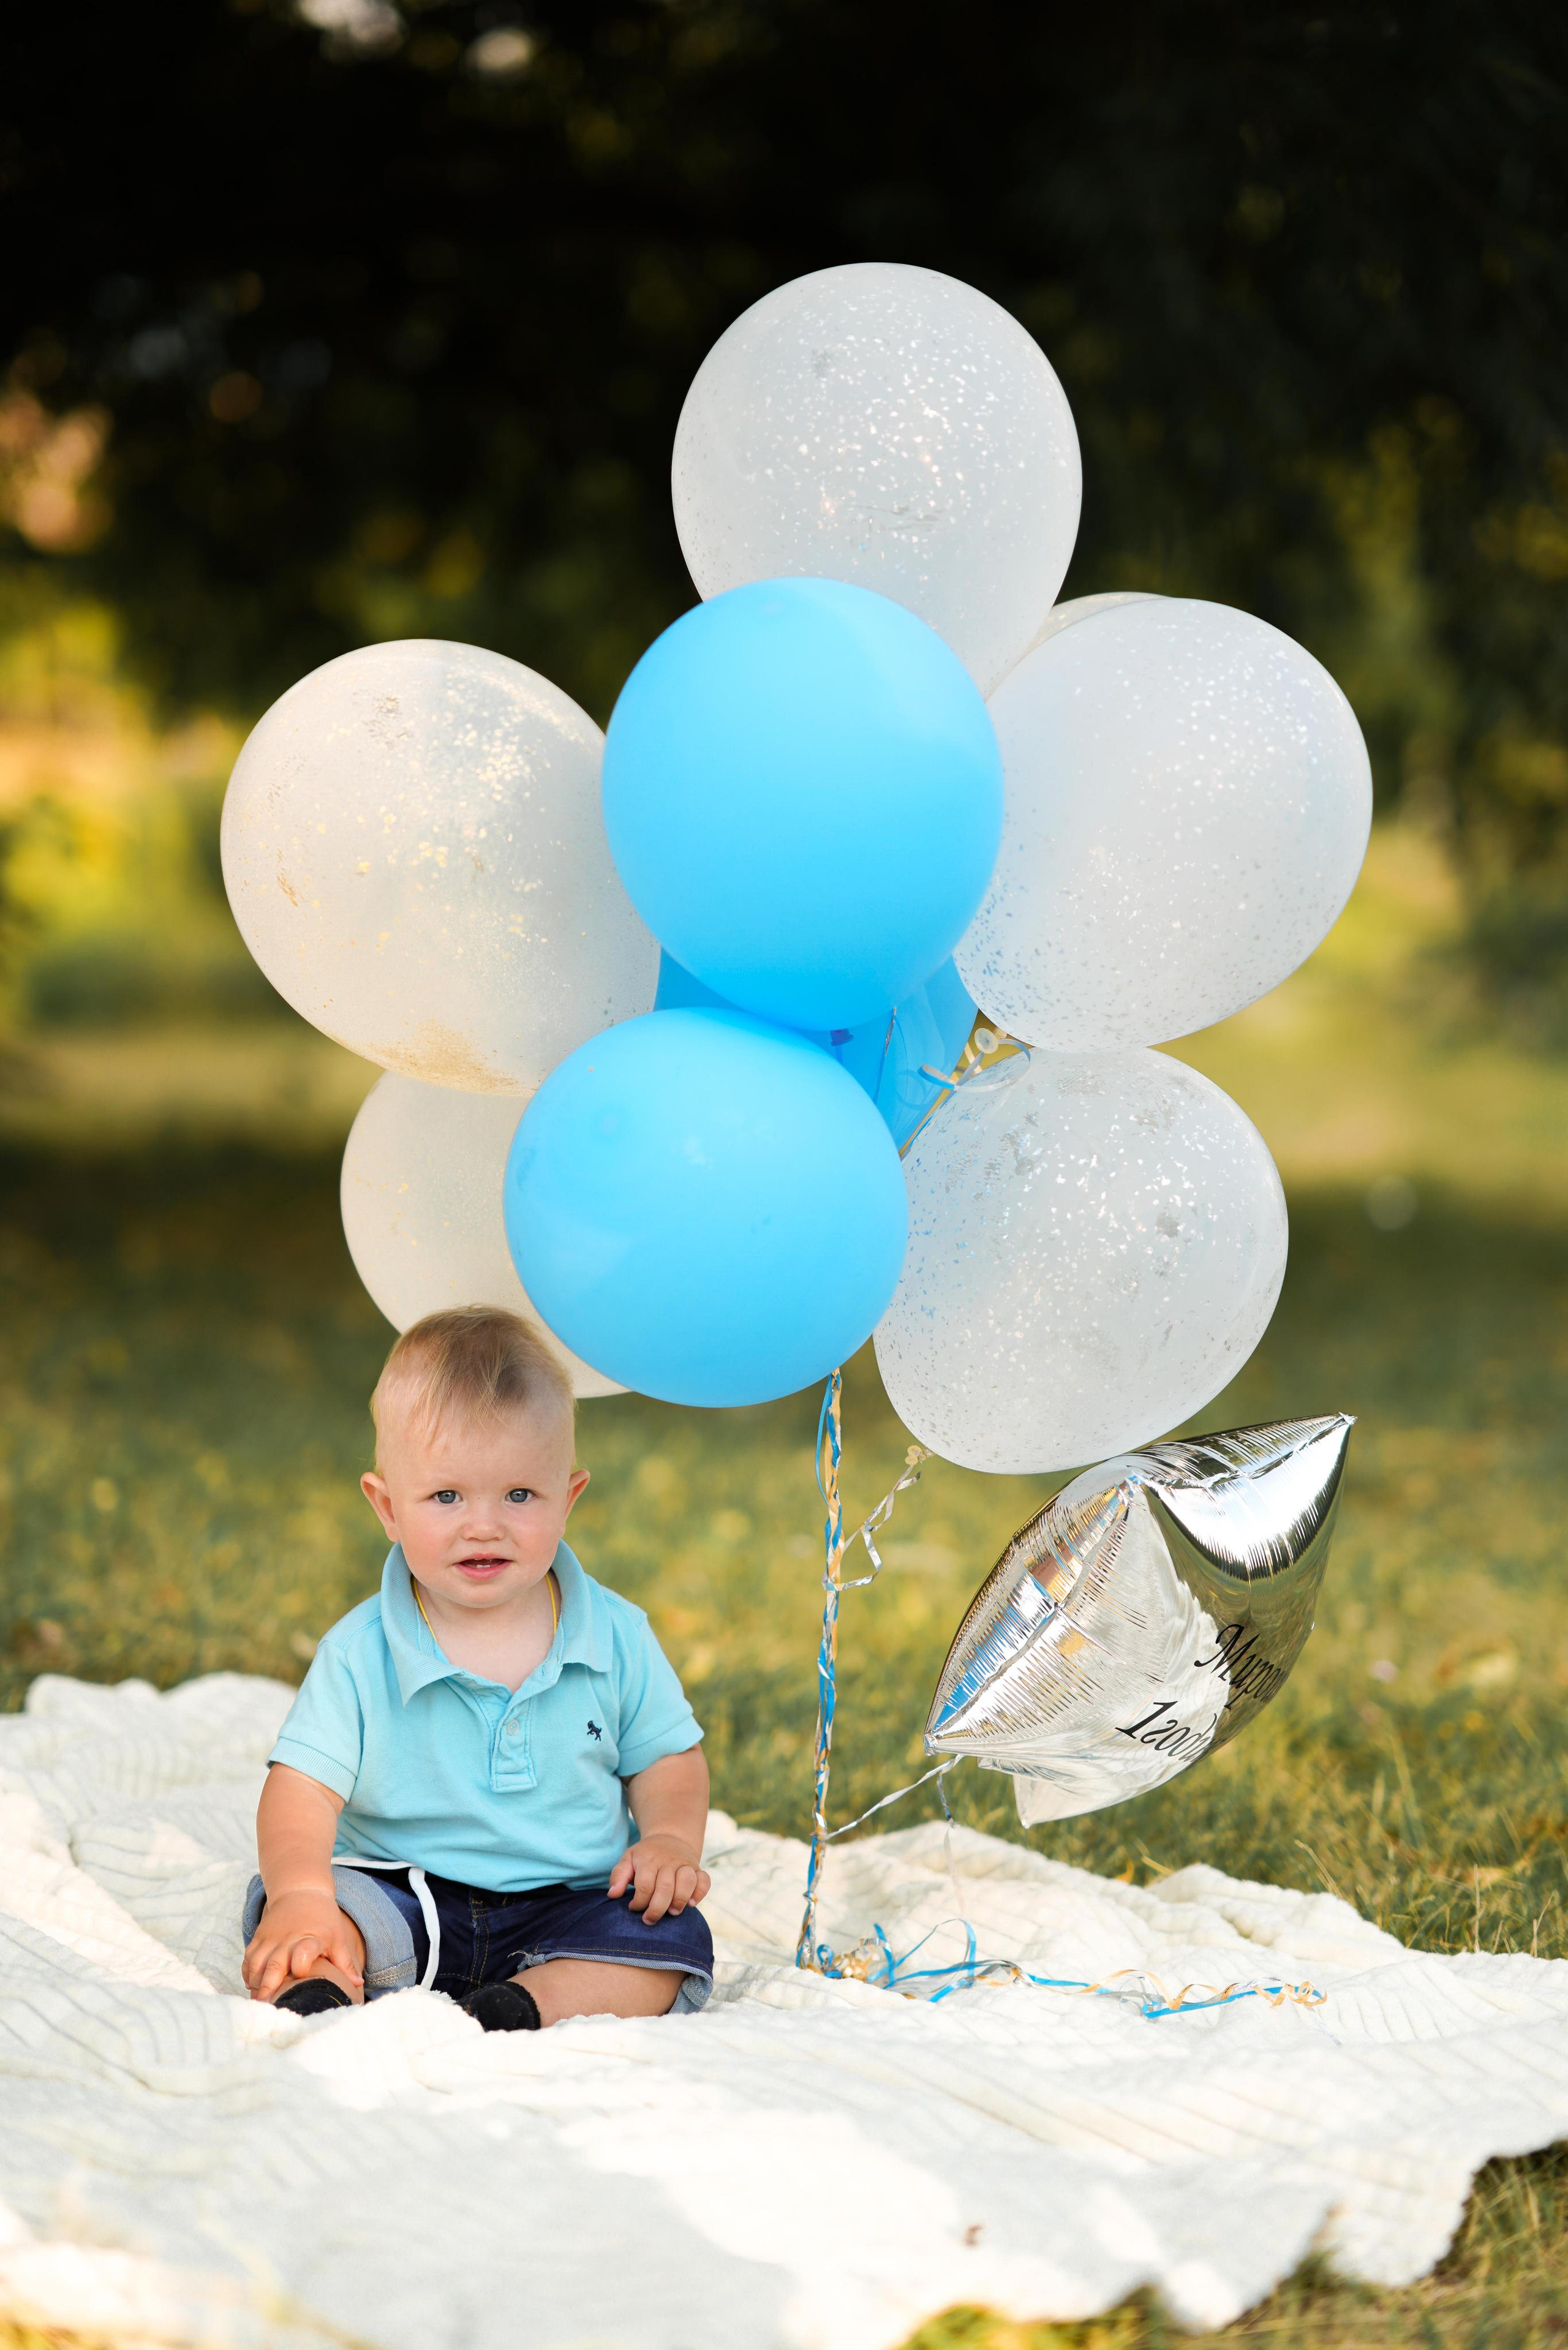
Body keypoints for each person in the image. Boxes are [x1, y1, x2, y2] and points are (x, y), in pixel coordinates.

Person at [239, 1305, 713, 2031]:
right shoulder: (361, 1650)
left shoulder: (615, 1634)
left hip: (569, 1901)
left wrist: (669, 1842)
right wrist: (301, 1890)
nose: (483, 1524)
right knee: (309, 1914)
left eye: (520, 1495)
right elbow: (301, 1789)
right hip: (405, 1892)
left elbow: (668, 1760)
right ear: (388, 1506)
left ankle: (522, 2007)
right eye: (446, 1496)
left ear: (569, 1498)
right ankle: (325, 1988)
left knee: (671, 1937)